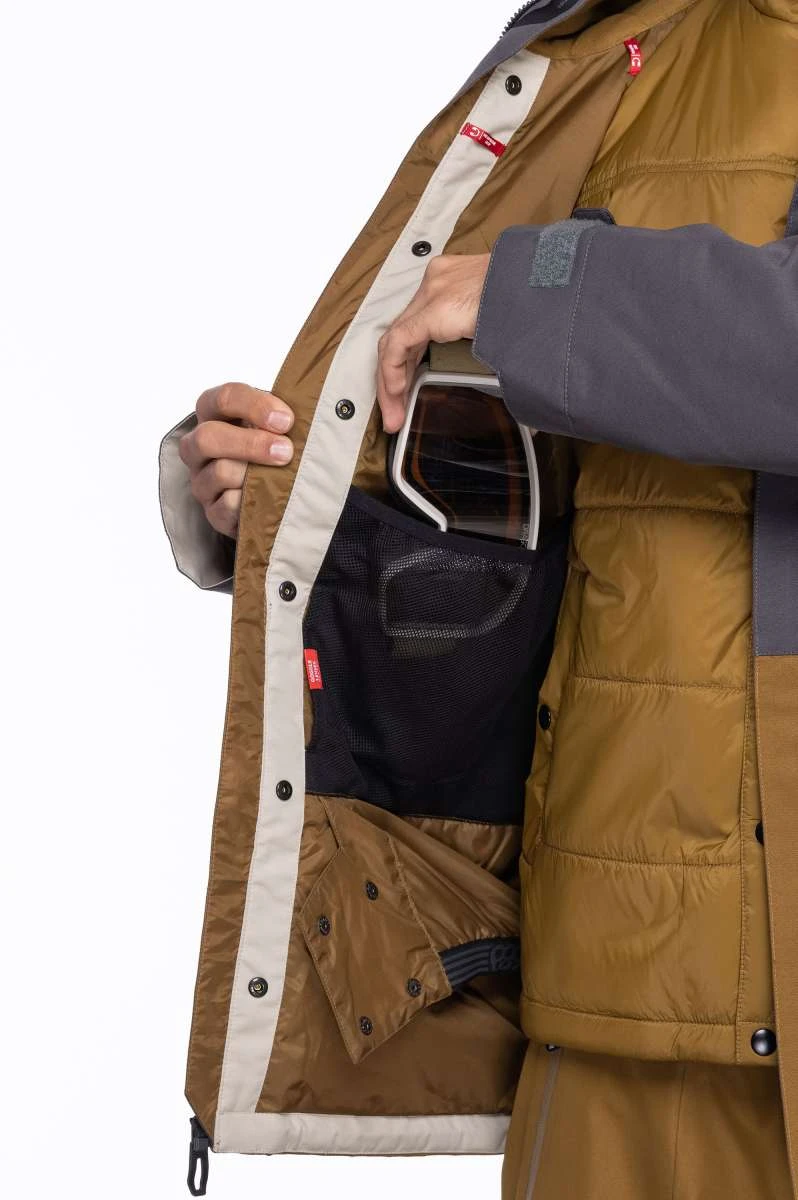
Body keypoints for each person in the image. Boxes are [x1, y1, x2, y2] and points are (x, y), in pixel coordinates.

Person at [160, 2, 798, 1197]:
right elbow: (501, 440)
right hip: (611, 963)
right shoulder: (618, 35)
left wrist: (543, 292)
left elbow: (546, 306)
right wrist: (284, 494)